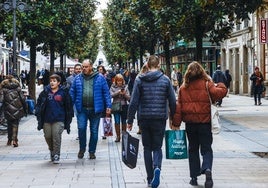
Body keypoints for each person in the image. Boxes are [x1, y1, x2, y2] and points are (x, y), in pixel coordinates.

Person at [172, 61, 227, 188]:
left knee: (193, 149)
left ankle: (194, 177)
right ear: (202, 71)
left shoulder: (183, 87)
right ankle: (207, 168)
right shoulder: (207, 84)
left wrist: (176, 123)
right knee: (206, 148)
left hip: (190, 124)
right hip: (205, 123)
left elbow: (179, 107)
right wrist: (220, 84)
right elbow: (220, 92)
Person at [127, 55, 176, 188]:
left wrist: (130, 120)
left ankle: (149, 178)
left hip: (144, 118)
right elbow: (172, 101)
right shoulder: (166, 80)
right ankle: (157, 167)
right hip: (160, 118)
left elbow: (134, 102)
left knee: (147, 148)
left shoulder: (139, 79)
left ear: (147, 65)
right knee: (157, 147)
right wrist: (174, 119)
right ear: (159, 65)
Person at [69, 59, 112, 160]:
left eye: (86, 67)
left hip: (95, 109)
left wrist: (108, 106)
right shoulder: (78, 78)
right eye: (83, 67)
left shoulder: (100, 78)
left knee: (94, 131)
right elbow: (72, 93)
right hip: (81, 109)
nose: (84, 69)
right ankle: (82, 149)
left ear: (91, 66)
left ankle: (92, 151)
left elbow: (106, 93)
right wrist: (69, 106)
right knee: (81, 128)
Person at [35, 74, 73, 164]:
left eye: (54, 81)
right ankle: (52, 150)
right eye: (51, 81)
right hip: (47, 119)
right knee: (48, 136)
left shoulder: (63, 92)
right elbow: (39, 103)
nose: (52, 83)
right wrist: (37, 111)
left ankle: (56, 154)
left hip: (59, 119)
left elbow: (69, 106)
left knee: (56, 136)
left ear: (58, 82)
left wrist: (69, 117)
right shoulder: (45, 92)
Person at [0, 75, 27, 147]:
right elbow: (23, 99)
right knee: (15, 124)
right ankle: (15, 140)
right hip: (17, 108)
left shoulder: (3, 89)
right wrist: (25, 108)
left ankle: (9, 140)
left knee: (9, 124)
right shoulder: (18, 88)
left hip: (7, 109)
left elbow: (1, 101)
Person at [110, 74, 130, 142]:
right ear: (116, 81)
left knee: (124, 121)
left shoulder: (125, 87)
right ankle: (118, 136)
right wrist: (117, 92)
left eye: (121, 81)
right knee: (117, 121)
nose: (119, 82)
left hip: (124, 106)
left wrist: (124, 94)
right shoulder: (113, 87)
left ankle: (124, 136)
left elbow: (129, 98)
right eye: (118, 81)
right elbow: (110, 95)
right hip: (116, 106)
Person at [66, 63, 82, 140]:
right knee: (79, 117)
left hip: (85, 101)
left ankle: (82, 131)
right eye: (77, 69)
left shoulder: (85, 78)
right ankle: (80, 133)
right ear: (74, 70)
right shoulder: (69, 79)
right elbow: (67, 90)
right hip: (75, 101)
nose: (78, 70)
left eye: (80, 69)